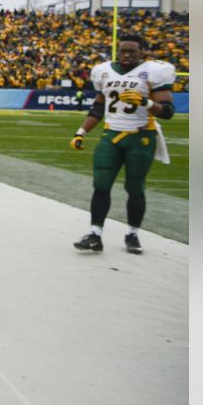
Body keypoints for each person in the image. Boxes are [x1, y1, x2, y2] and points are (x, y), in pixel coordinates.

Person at [69, 34, 176, 254]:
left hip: (141, 137)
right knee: (101, 184)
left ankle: (132, 233)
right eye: (123, 51)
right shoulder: (104, 71)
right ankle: (95, 234)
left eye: (132, 52)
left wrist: (145, 102)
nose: (127, 55)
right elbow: (98, 107)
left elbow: (168, 112)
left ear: (141, 53)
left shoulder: (153, 71)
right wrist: (81, 131)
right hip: (111, 135)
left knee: (135, 187)